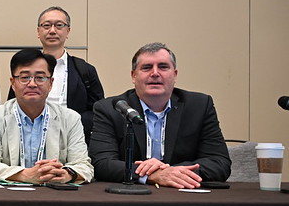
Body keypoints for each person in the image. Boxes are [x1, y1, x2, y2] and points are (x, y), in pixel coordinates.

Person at [89, 42, 231, 188]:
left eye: (163, 67)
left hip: (183, 194)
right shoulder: (111, 109)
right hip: (131, 194)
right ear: (133, 76)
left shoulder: (199, 106)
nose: (155, 73)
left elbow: (219, 162)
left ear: (175, 75)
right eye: (146, 67)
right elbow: (101, 163)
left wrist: (173, 172)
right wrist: (150, 175)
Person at [0, 49, 93, 183]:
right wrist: (26, 175)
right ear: (13, 83)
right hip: (10, 193)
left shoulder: (70, 118)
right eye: (25, 77)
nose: (32, 84)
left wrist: (66, 174)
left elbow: (84, 166)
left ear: (50, 83)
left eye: (40, 78)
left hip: (55, 191)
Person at [6, 6, 104, 141]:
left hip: (72, 138)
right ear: (38, 32)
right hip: (29, 137)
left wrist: (72, 122)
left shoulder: (84, 70)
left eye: (59, 25)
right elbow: (12, 105)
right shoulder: (25, 67)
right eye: (46, 25)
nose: (52, 30)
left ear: (68, 31)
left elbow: (98, 111)